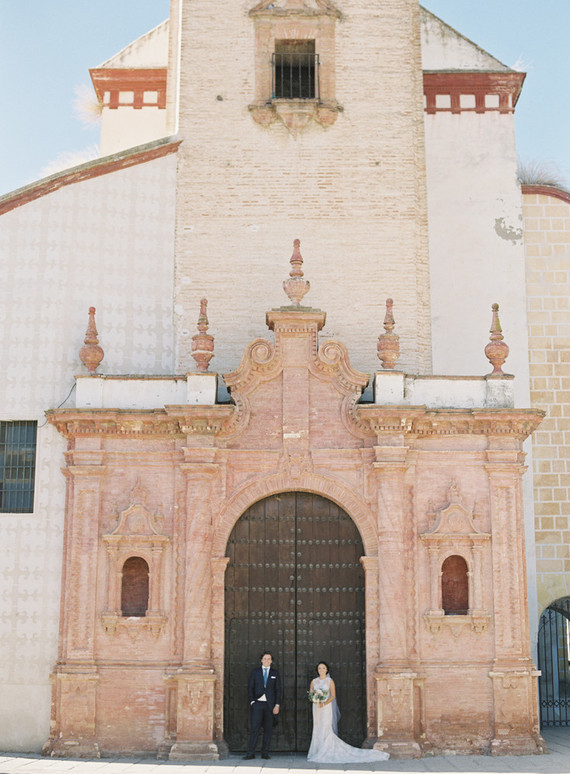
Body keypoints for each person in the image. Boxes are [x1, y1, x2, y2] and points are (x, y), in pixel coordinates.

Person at [307, 661, 389, 764]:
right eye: (319, 668)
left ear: (327, 669)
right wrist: (315, 699)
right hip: (316, 708)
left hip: (326, 707)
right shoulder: (314, 682)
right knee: (317, 727)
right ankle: (316, 750)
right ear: (317, 670)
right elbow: (311, 694)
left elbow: (332, 696)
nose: (321, 670)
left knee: (325, 727)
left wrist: (324, 703)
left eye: (323, 668)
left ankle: (325, 749)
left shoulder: (329, 681)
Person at [244, 651, 281, 760]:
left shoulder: (275, 673)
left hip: (270, 705)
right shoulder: (255, 672)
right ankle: (251, 753)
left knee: (268, 729)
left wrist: (277, 705)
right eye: (265, 659)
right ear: (261, 660)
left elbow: (278, 690)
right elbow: (250, 687)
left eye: (268, 659)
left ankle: (265, 753)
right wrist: (252, 702)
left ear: (271, 661)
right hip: (258, 704)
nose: (266, 661)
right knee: (255, 728)